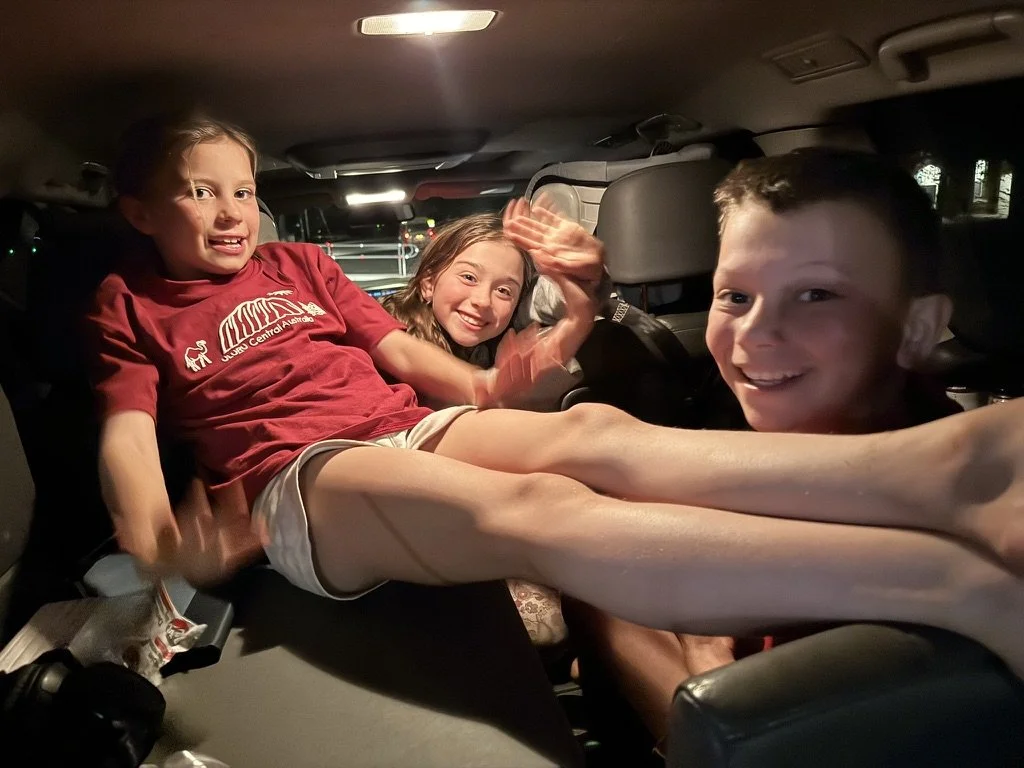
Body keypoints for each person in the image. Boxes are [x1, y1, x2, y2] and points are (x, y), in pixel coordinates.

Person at [86, 113, 1024, 690]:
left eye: (242, 191)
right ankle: (954, 585)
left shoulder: (298, 263)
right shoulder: (129, 303)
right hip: (295, 480)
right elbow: (128, 434)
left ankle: (949, 468)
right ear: (138, 211)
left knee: (595, 431)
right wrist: (157, 537)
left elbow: (399, 351)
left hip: (404, 425)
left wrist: (487, 387)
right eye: (198, 192)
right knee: (537, 510)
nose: (229, 213)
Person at [560, 147, 969, 755]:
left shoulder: (910, 499)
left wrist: (702, 652)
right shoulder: (875, 426)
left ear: (916, 328)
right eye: (735, 297)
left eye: (817, 296)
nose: (755, 333)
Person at [382, 211, 598, 645]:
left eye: (504, 291)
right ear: (427, 282)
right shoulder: (389, 340)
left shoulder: (492, 347)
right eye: (468, 277)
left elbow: (549, 336)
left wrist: (583, 301)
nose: (483, 301)